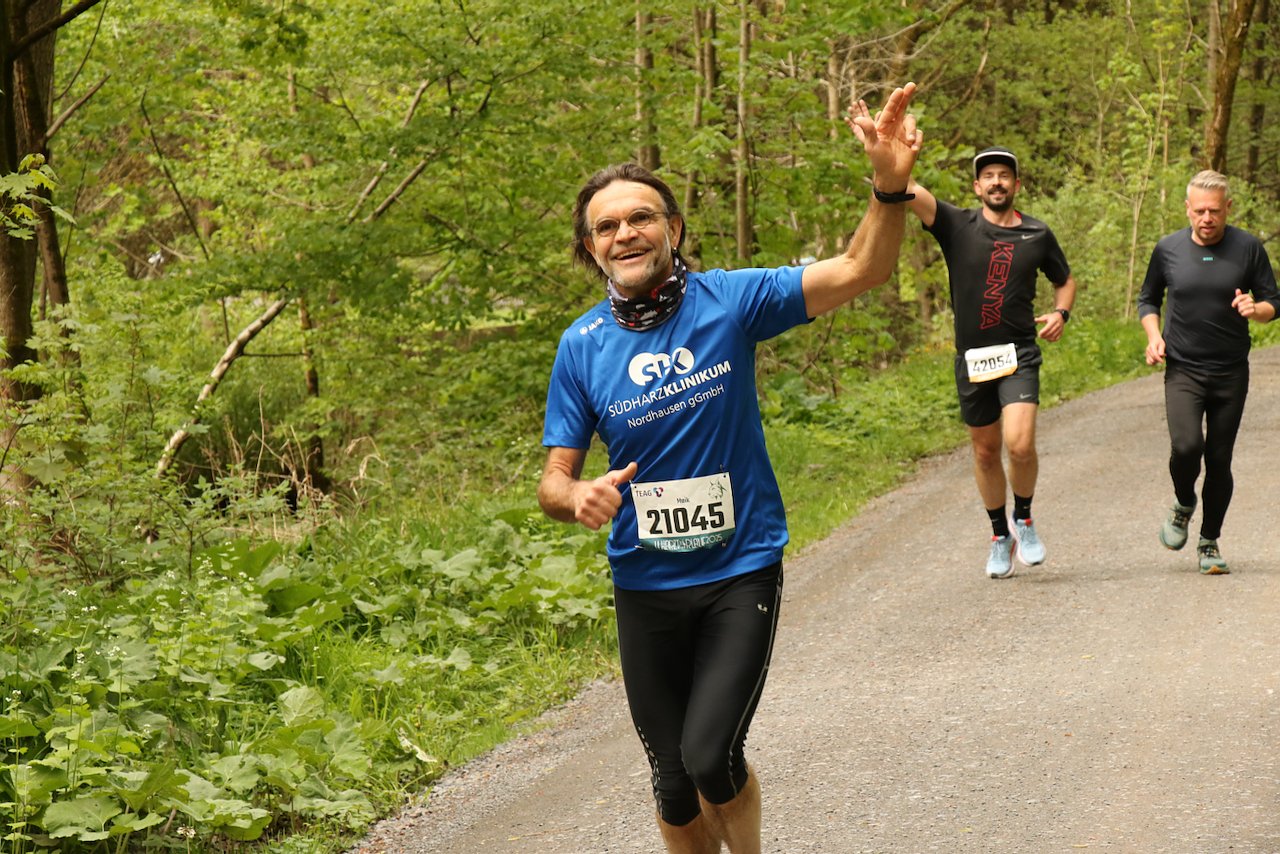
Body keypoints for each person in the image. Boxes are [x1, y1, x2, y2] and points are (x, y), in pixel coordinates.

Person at [537, 84, 921, 853]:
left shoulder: (729, 302)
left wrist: (887, 188)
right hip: (644, 583)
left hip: (738, 572)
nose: (625, 233)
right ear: (590, 249)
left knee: (710, 756)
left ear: (674, 229)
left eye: (642, 217)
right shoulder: (581, 347)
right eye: (606, 226)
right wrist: (574, 495)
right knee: (672, 782)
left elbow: (860, 269)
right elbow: (553, 478)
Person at [901, 147, 1077, 579]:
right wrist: (895, 153)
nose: (997, 182)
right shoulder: (956, 224)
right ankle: (1000, 535)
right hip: (973, 359)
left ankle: (1025, 519)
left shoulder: (1038, 234)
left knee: (1020, 445)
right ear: (977, 187)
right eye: (988, 176)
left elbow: (1065, 280)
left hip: (1019, 354)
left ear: (1017, 185)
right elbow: (905, 188)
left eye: (1004, 175)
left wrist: (1061, 312)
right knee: (984, 452)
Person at [1137, 169, 1279, 575]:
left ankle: (1209, 541)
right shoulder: (1168, 249)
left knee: (1219, 459)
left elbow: (1274, 302)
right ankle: (1184, 501)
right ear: (1187, 208)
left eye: (1214, 211)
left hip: (1230, 372)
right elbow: (1148, 299)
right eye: (1199, 210)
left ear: (1227, 208)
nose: (1206, 218)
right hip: (1184, 369)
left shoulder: (1248, 248)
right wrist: (1153, 337)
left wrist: (1256, 309)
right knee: (1186, 447)